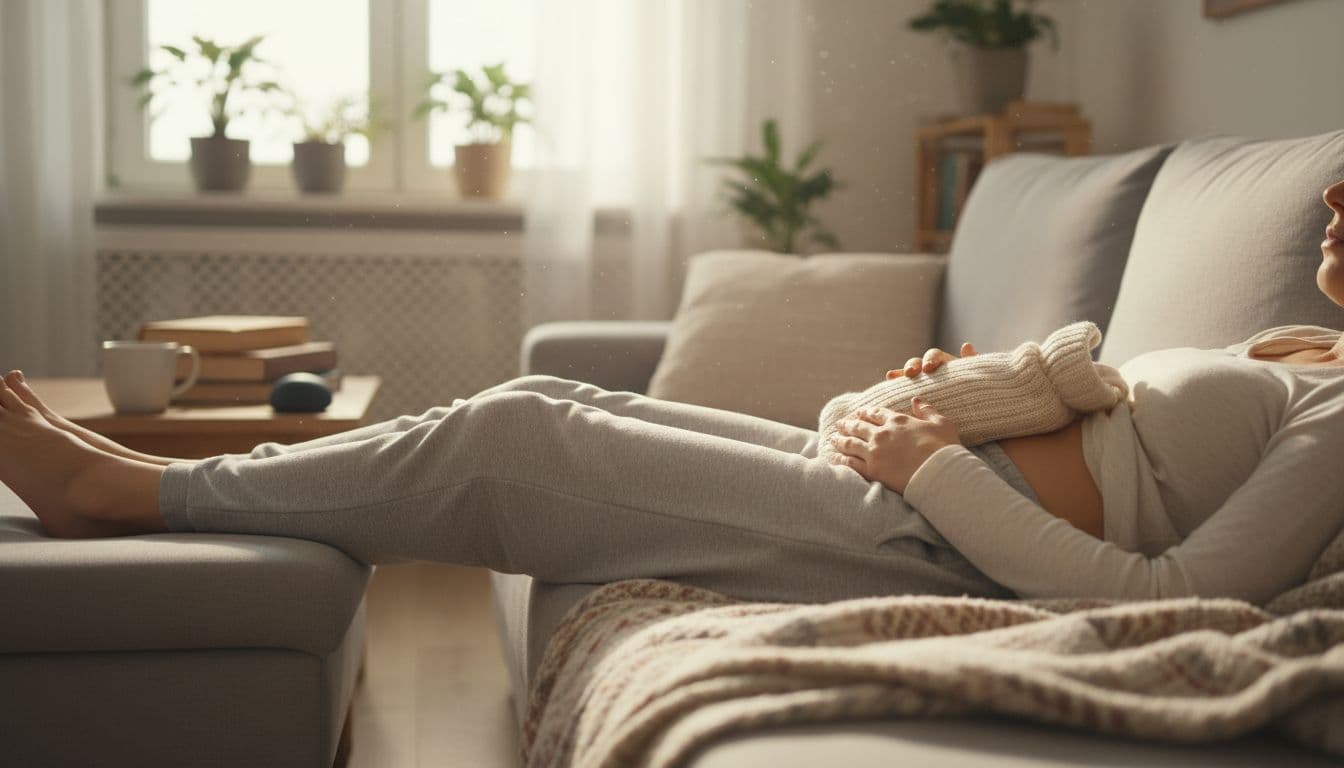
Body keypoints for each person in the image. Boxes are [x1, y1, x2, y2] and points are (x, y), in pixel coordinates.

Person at [3, 180, 1343, 607]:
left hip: (936, 542)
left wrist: (926, 460)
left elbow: (1184, 603)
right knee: (543, 414)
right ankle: (154, 484)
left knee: (516, 434)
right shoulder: (1302, 350)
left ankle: (128, 487)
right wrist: (946, 408)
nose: (1335, 199)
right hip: (904, 485)